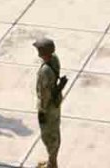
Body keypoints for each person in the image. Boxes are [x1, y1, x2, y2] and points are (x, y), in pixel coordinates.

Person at [35, 37, 65, 168]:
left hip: (48, 107)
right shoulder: (54, 59)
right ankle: (51, 161)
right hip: (55, 102)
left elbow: (45, 93)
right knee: (54, 132)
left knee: (48, 135)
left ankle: (52, 163)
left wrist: (42, 110)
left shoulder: (45, 70)